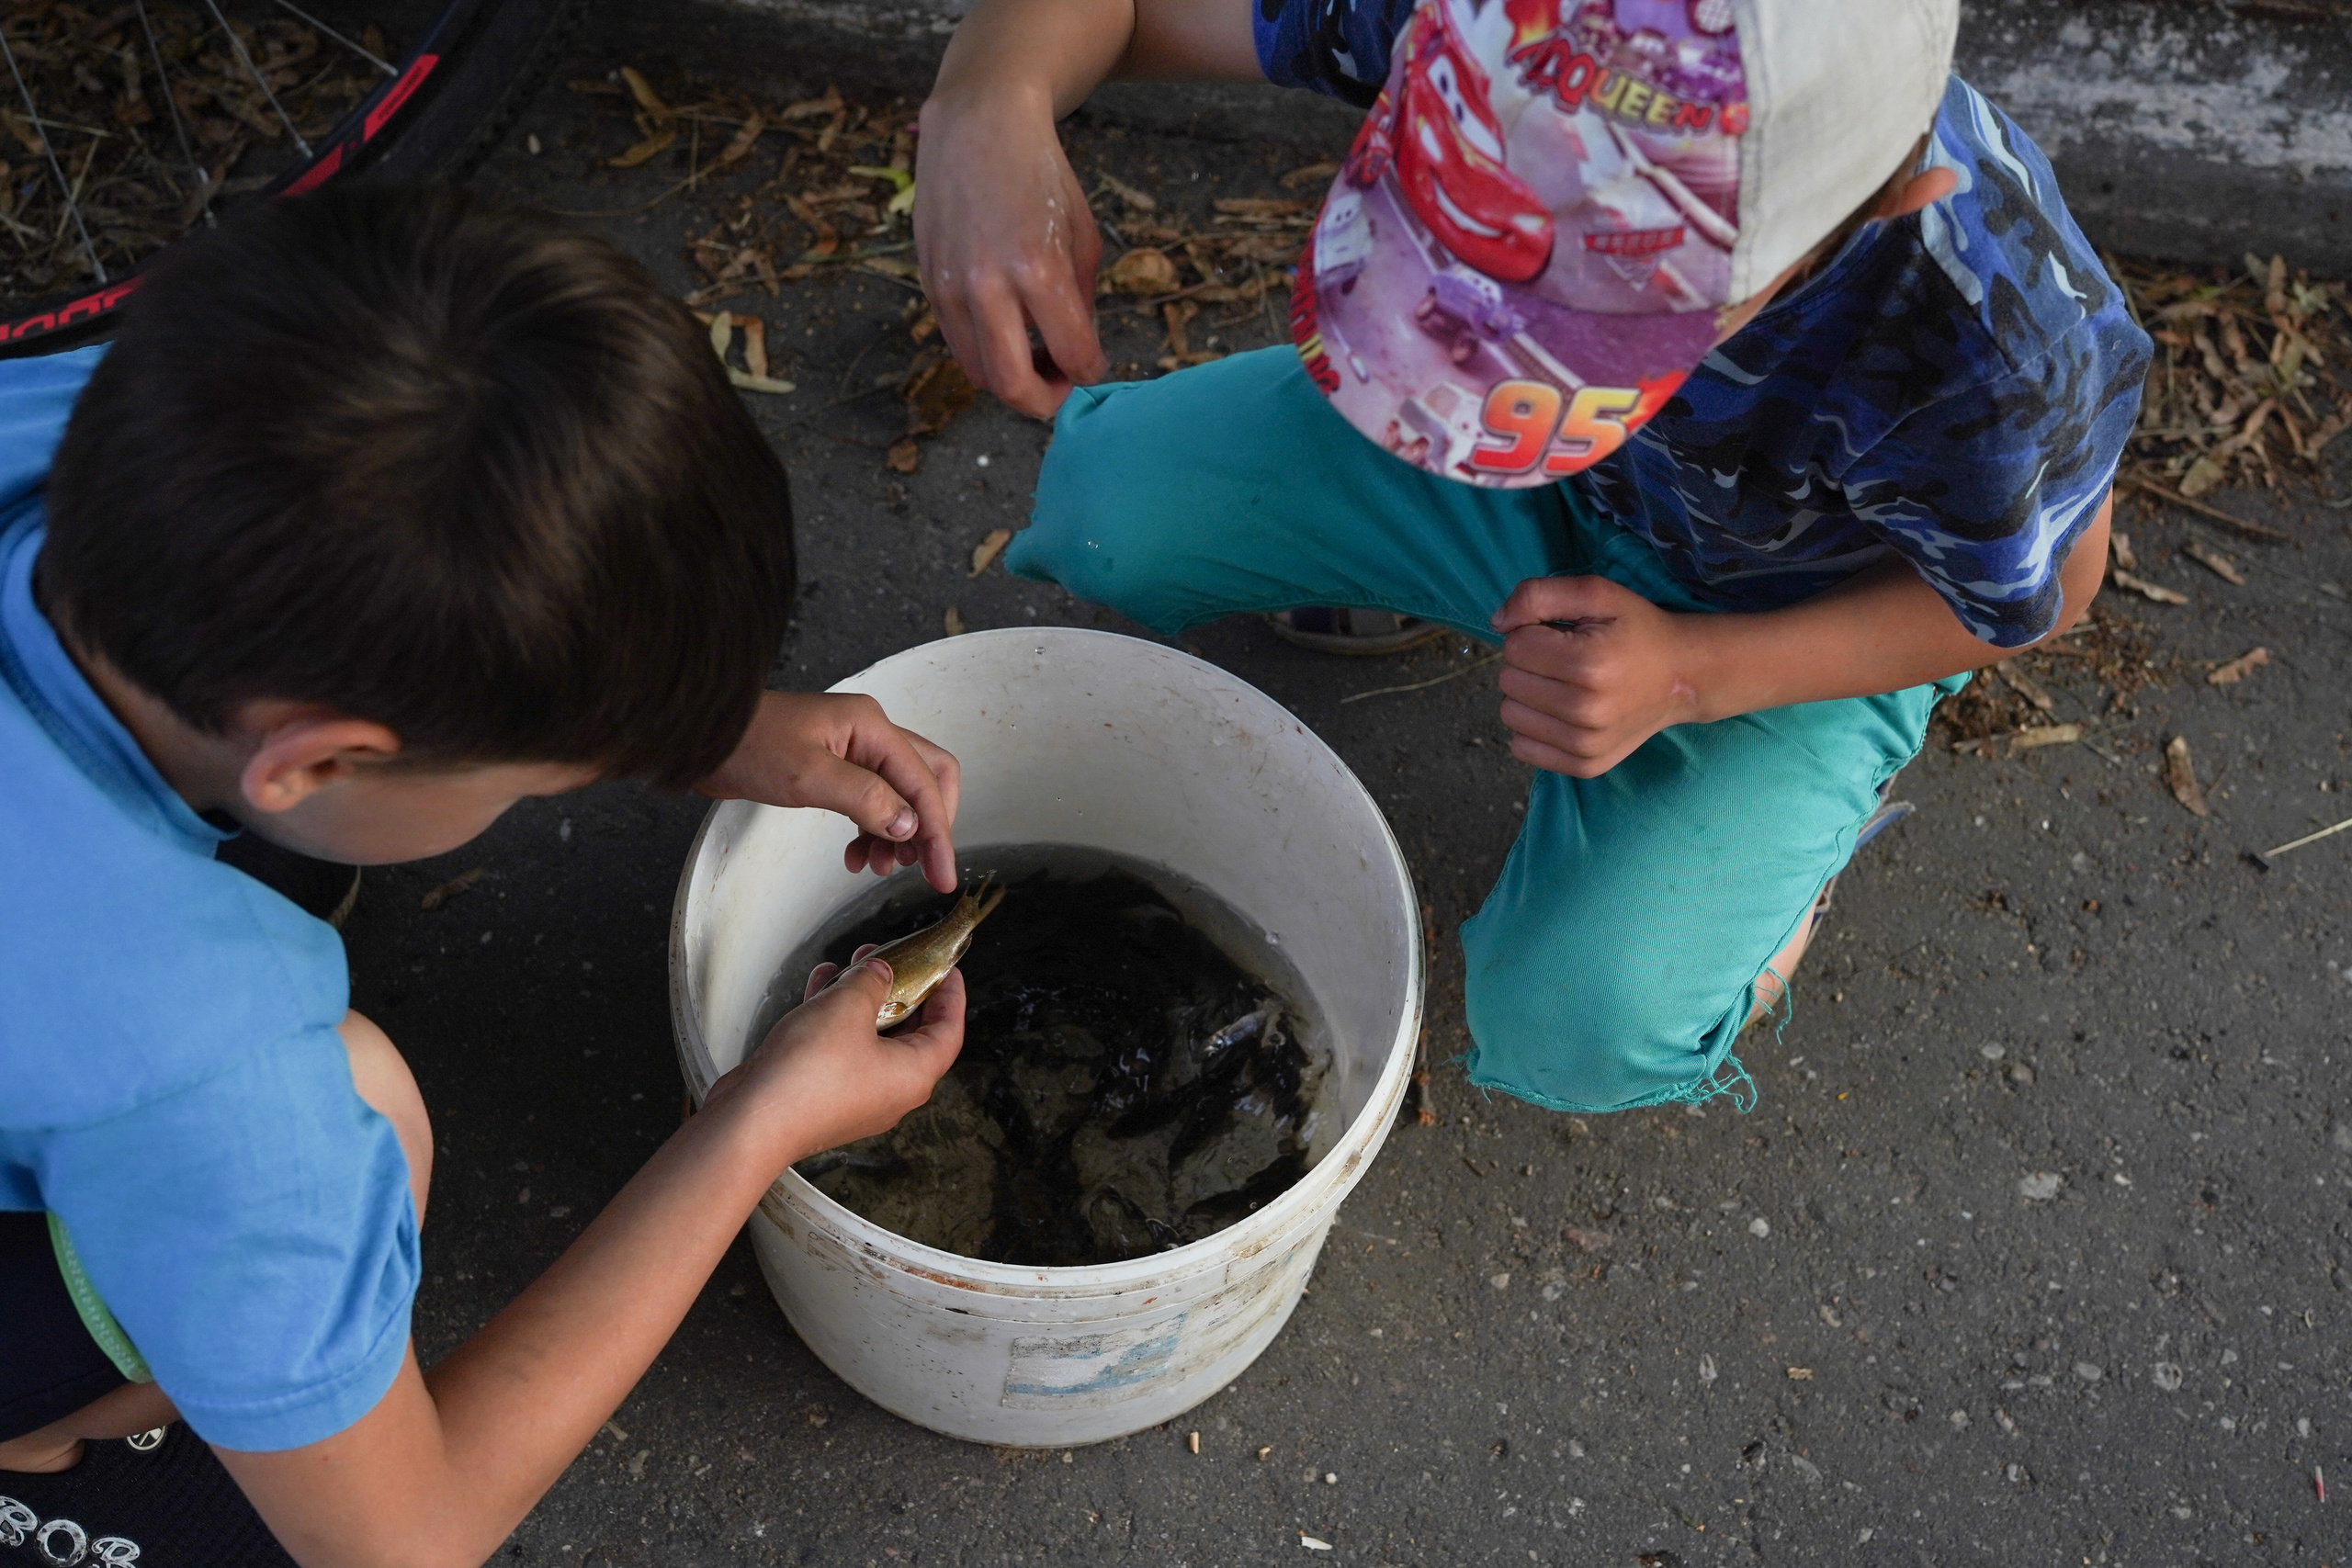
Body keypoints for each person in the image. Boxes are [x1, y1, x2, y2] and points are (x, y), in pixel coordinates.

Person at [913, 0, 2150, 1112]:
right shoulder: (1522, 25)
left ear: (1878, 201)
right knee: (1104, 506)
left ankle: (1779, 888)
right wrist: (989, 97)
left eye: (1591, 316)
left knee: (1584, 1021)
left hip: (1780, 609)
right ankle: (1419, 554)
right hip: (1552, 490)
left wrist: (1694, 675)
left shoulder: (1991, 335)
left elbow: (2047, 596)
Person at [0, 187, 965, 1562]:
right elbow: (412, 1541)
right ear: (316, 763)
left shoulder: (102, 409)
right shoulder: (209, 1096)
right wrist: (755, 1121)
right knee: (369, 1113)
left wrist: (674, 718)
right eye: (543, 778)